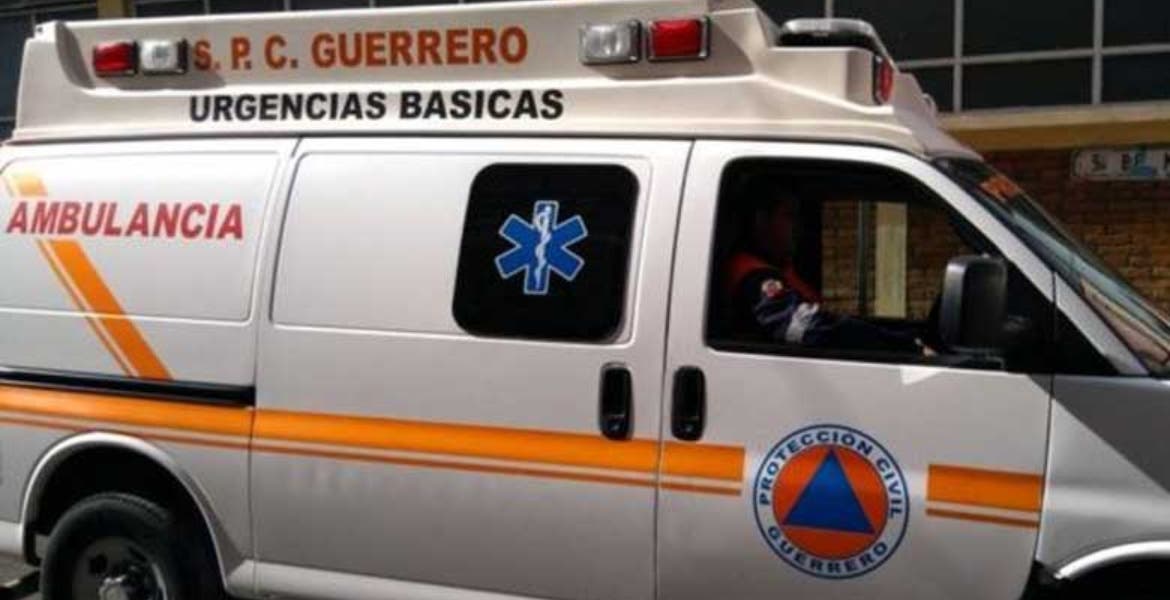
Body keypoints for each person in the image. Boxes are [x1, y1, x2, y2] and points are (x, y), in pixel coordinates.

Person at [725, 190, 930, 355]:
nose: (798, 228)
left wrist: (904, 337)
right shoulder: (754, 279)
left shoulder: (779, 270)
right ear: (762, 220)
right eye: (789, 216)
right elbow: (810, 328)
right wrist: (906, 347)